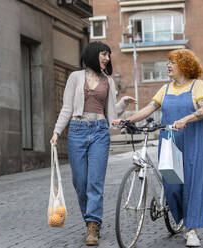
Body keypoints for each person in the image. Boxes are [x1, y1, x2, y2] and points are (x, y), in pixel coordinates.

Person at [113, 49, 203, 247]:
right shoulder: (165, 89)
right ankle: (182, 219)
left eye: (172, 62)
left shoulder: (197, 85)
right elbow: (149, 108)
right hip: (170, 143)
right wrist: (126, 120)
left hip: (194, 142)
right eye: (168, 62)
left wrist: (187, 118)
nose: (168, 65)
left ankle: (191, 230)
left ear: (184, 65)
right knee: (172, 186)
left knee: (192, 185)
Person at [50, 41, 136, 246]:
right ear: (93, 55)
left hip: (99, 132)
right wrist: (56, 131)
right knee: (80, 184)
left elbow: (111, 115)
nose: (107, 58)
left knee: (95, 182)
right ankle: (90, 219)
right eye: (104, 54)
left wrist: (122, 104)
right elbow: (67, 108)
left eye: (109, 55)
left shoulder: (108, 81)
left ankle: (93, 225)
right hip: (77, 131)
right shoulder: (75, 77)